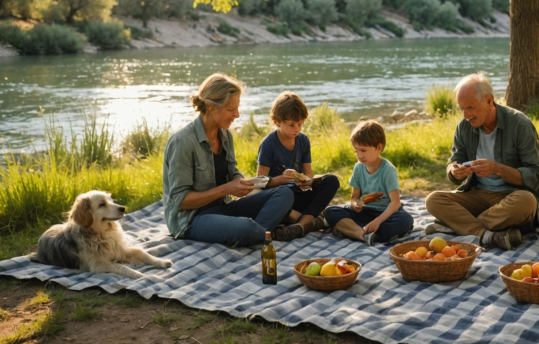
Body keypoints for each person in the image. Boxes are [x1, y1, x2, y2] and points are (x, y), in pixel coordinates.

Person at [162, 73, 294, 247]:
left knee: (284, 193)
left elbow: (233, 173)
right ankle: (259, 233)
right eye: (231, 110)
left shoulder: (225, 135)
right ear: (210, 106)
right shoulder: (183, 142)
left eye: (237, 108)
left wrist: (243, 183)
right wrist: (226, 189)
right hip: (193, 219)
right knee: (246, 226)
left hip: (224, 209)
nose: (237, 115)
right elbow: (180, 202)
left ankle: (257, 234)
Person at [424, 73, 539, 250]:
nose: (466, 115)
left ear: (489, 101)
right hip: (478, 195)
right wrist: (454, 171)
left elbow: (535, 176)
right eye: (462, 109)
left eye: (471, 108)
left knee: (527, 201)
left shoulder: (519, 124)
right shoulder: (464, 127)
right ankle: (488, 235)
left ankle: (455, 227)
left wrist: (497, 169)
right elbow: (454, 162)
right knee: (433, 200)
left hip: (511, 197)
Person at [256, 92, 340, 241]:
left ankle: (299, 224)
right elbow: (260, 181)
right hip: (280, 196)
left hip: (299, 192)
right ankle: (309, 220)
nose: (297, 129)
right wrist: (281, 179)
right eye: (292, 125)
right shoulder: (269, 144)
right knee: (279, 201)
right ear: (277, 122)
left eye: (300, 124)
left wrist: (307, 180)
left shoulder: (303, 140)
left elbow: (308, 174)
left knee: (332, 181)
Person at [323, 120, 414, 246]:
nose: (359, 155)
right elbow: (354, 197)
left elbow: (395, 203)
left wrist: (377, 221)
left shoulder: (388, 170)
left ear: (379, 148)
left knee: (405, 219)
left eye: (363, 150)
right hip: (365, 212)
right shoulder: (358, 168)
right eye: (356, 150)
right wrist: (355, 204)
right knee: (330, 211)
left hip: (385, 214)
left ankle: (351, 230)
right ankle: (362, 234)